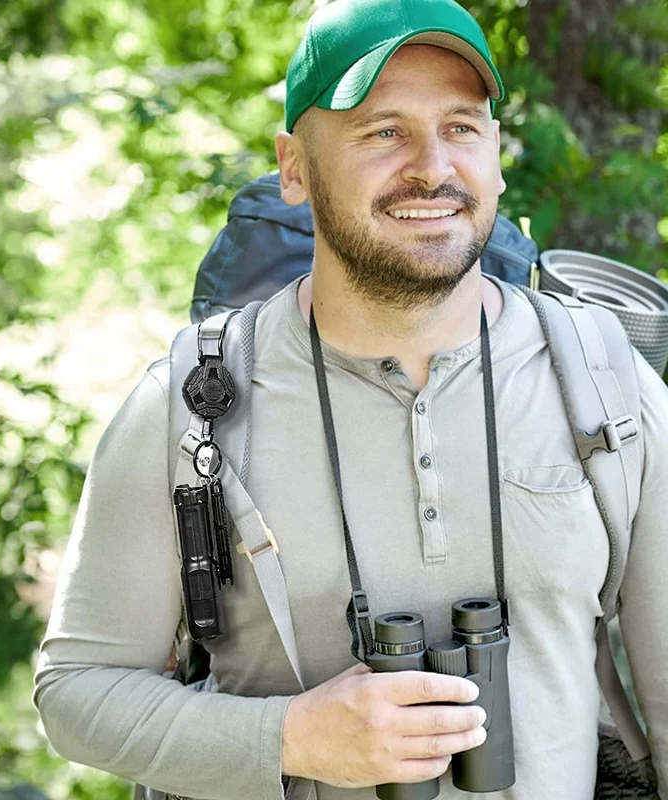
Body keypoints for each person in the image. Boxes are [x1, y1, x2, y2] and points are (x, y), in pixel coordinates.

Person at [33, 0, 668, 798]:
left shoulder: (605, 379)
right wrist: (290, 737)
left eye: (463, 126)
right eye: (383, 131)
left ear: (498, 155)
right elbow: (76, 693)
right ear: (294, 166)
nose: (433, 166)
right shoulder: (187, 408)